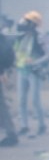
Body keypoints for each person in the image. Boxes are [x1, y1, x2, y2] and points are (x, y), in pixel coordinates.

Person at [13, 10, 49, 137]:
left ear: (33, 24)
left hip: (34, 72)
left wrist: (35, 62)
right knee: (22, 100)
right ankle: (24, 126)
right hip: (22, 70)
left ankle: (42, 125)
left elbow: (48, 55)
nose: (23, 23)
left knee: (35, 100)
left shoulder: (40, 36)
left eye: (27, 21)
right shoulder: (21, 36)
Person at [0, 15, 18, 146]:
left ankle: (11, 134)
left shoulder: (3, 40)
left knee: (2, 107)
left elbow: (6, 57)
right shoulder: (5, 39)